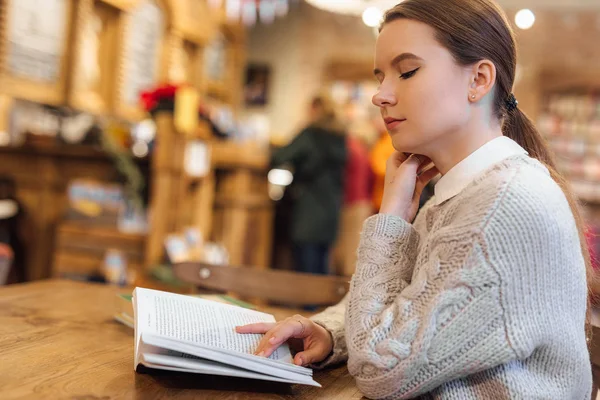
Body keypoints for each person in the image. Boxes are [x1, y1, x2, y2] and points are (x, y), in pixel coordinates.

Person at [237, 0, 594, 398]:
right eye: (380, 76)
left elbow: (380, 368)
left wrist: (391, 220)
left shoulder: (502, 205)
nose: (380, 95)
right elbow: (405, 310)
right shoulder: (464, 191)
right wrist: (329, 332)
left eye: (407, 71)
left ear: (478, 79)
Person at [270, 93, 347, 275]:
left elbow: (280, 157)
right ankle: (318, 304)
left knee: (305, 266)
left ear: (315, 109)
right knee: (321, 266)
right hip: (331, 210)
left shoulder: (310, 134)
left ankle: (307, 305)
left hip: (308, 209)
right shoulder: (340, 136)